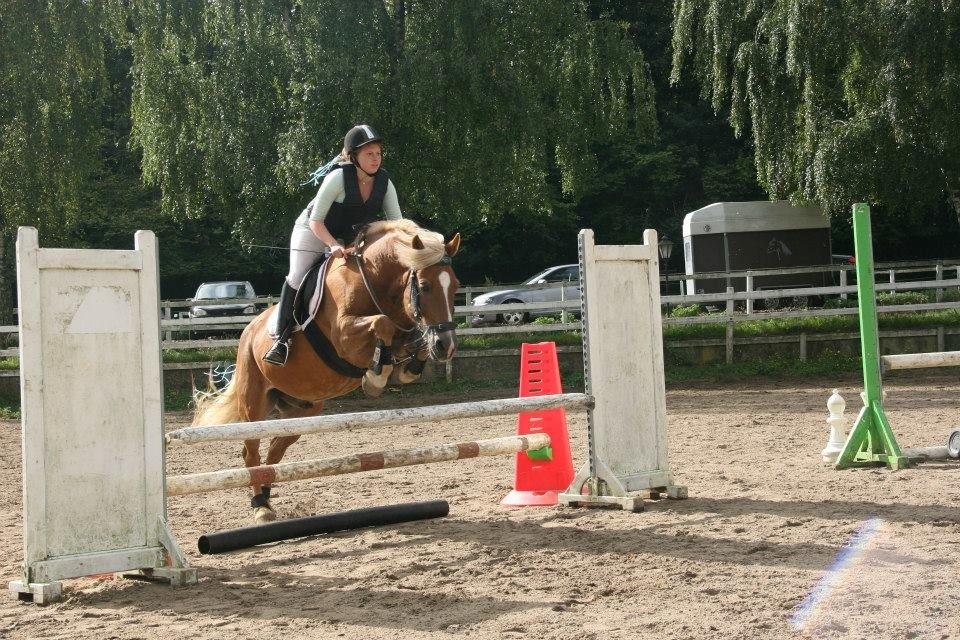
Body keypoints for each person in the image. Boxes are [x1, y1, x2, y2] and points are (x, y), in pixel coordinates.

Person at [263, 124, 404, 365]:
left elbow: (397, 225)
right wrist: (331, 245)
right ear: (354, 156)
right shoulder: (338, 178)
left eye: (378, 153)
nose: (375, 159)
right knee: (296, 275)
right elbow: (316, 221)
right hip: (313, 230)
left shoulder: (384, 183)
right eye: (369, 154)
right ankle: (281, 339)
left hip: (348, 237)